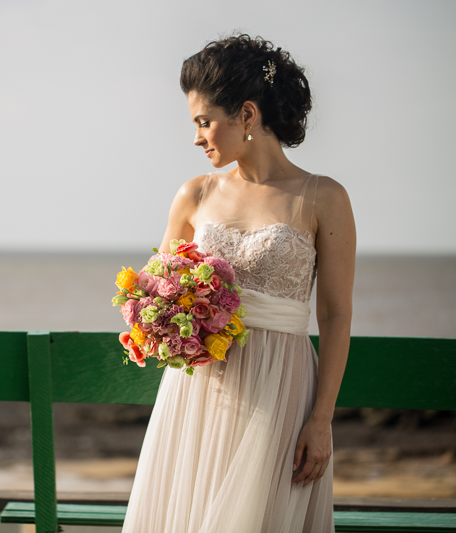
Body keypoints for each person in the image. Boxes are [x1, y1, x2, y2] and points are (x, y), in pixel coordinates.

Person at [121, 34, 356, 533]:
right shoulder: (194, 194)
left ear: (247, 115)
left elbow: (335, 314)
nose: (197, 136)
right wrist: (160, 318)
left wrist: (321, 419)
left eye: (204, 122)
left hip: (281, 389)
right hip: (201, 390)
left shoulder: (324, 198)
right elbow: (154, 288)